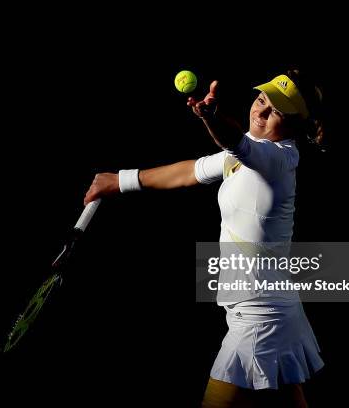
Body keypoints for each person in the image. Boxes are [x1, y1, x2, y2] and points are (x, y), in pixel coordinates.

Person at [84, 69, 325, 407]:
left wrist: (211, 116)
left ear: (293, 126)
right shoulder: (249, 154)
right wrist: (119, 180)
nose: (260, 112)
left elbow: (233, 140)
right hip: (273, 304)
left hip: (260, 314)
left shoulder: (278, 159)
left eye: (275, 112)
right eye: (260, 101)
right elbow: (189, 171)